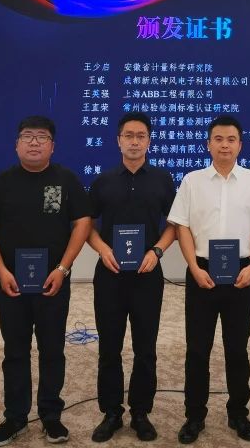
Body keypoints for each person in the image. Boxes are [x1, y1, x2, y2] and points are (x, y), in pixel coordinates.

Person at [0, 115, 92, 447]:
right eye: (27, 136)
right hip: (10, 282)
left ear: (53, 146)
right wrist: (1, 269)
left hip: (53, 281)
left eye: (42, 137)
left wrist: (63, 269)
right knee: (15, 349)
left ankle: (51, 415)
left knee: (52, 348)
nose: (34, 142)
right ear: (16, 145)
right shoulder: (0, 183)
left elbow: (82, 223)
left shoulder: (66, 180)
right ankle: (15, 417)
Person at [167, 115, 250, 445]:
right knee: (197, 350)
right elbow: (181, 227)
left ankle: (238, 413)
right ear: (208, 144)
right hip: (201, 271)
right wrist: (193, 267)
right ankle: (194, 416)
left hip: (241, 273)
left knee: (237, 349)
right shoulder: (192, 181)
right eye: (218, 139)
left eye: (231, 139)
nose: (225, 145)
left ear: (240, 145)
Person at [86, 112, 177, 443]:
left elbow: (175, 225)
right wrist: (102, 249)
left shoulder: (163, 180)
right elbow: (86, 225)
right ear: (118, 140)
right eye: (129, 135)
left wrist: (157, 251)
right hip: (109, 274)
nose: (134, 141)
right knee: (109, 347)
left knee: (145, 348)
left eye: (141, 136)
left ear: (149, 141)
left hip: (147, 274)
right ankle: (111, 412)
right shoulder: (103, 181)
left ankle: (140, 412)